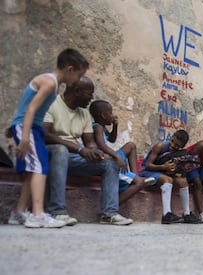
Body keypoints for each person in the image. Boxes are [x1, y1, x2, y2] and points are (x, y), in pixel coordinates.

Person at [7, 48, 89, 228]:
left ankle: (19, 212)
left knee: (33, 170)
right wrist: (25, 136)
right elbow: (30, 109)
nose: (77, 81)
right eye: (78, 76)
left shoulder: (52, 83)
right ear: (69, 69)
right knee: (39, 167)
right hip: (27, 127)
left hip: (31, 128)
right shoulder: (50, 83)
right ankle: (37, 214)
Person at [43, 76, 133, 226]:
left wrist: (95, 152)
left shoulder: (84, 114)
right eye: (89, 93)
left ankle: (109, 214)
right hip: (52, 154)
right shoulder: (52, 104)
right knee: (60, 150)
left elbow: (90, 143)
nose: (91, 98)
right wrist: (80, 149)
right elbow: (45, 135)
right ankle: (58, 211)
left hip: (74, 157)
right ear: (77, 91)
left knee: (109, 162)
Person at [89, 100, 155, 204]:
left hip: (110, 156)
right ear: (103, 115)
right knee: (140, 183)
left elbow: (111, 139)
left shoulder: (102, 127)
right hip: (105, 160)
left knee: (131, 146)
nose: (113, 115)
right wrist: (117, 157)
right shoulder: (97, 127)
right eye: (110, 112)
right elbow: (102, 145)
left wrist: (115, 126)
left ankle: (134, 176)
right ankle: (113, 206)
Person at [139, 130, 201, 224]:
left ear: (182, 147)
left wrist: (176, 170)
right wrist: (163, 167)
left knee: (183, 181)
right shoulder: (160, 146)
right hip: (148, 171)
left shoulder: (179, 153)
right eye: (172, 141)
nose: (173, 146)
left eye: (177, 145)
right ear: (172, 137)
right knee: (167, 180)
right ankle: (166, 214)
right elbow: (148, 165)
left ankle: (187, 214)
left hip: (162, 171)